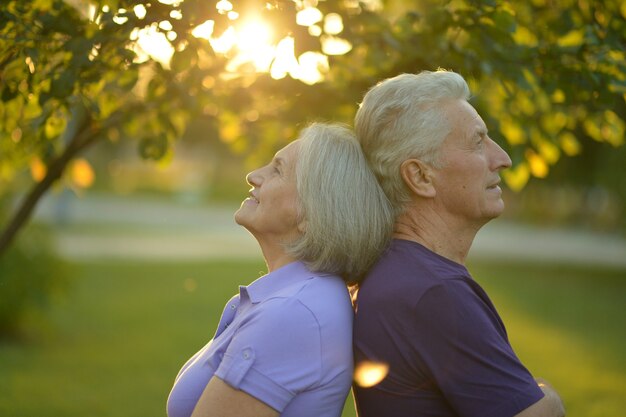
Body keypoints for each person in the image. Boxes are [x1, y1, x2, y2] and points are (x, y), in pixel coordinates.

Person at [352, 70, 566, 417]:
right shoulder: (434, 292)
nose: (502, 158)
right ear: (421, 176)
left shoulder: (399, 271)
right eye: (478, 141)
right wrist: (550, 400)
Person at [167, 122, 393, 417]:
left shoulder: (293, 313)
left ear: (312, 214)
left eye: (277, 170)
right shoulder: (302, 296)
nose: (253, 175)